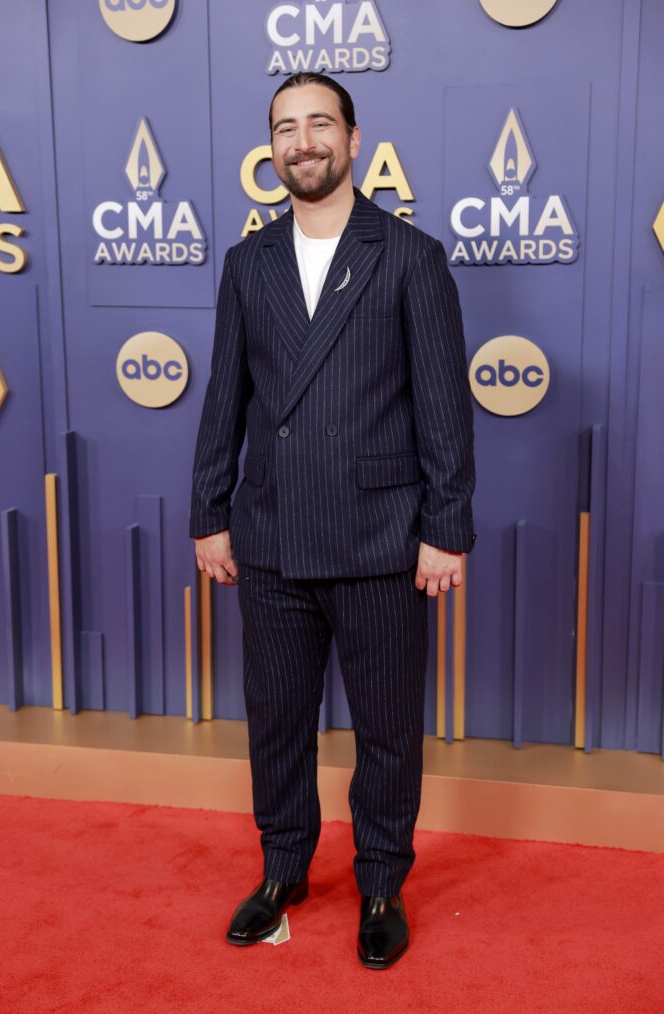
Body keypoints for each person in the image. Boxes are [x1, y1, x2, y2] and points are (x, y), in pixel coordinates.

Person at [189, 71, 476, 970]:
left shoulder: (409, 257)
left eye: (319, 124)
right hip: (269, 535)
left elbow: (443, 410)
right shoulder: (248, 264)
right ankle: (283, 871)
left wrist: (447, 526)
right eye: (285, 128)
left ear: (353, 139)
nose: (302, 142)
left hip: (383, 539)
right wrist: (209, 513)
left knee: (388, 726)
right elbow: (223, 402)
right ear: (269, 150)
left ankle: (382, 881)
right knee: (277, 720)